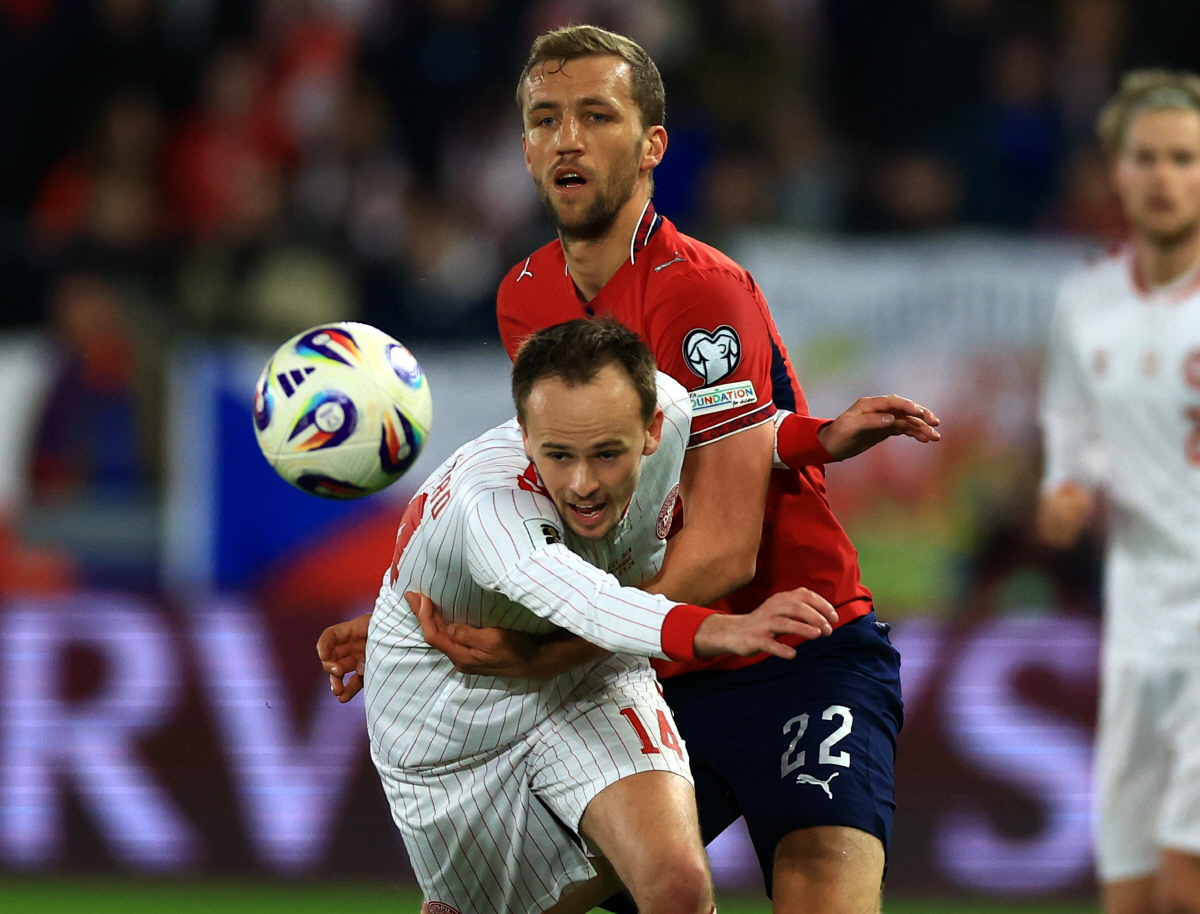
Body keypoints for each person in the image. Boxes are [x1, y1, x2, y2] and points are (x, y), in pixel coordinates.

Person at [324, 25, 943, 913]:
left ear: (652, 145)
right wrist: (413, 607)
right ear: (527, 148)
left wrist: (550, 654)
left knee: (821, 892)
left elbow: (727, 552)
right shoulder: (526, 298)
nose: (567, 138)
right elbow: (572, 503)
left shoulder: (700, 291)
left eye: (596, 116)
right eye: (544, 119)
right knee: (486, 905)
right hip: (646, 662)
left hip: (794, 647)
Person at [365, 317, 846, 914]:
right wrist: (719, 627)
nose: (583, 484)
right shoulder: (490, 506)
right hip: (450, 714)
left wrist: (826, 436)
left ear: (651, 429)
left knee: (678, 885)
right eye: (558, 455)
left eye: (607, 454)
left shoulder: (673, 407)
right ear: (524, 433)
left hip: (587, 668)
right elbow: (584, 600)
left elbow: (738, 435)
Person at [1037, 70, 1200, 914]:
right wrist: (1066, 494)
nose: (1166, 176)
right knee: (1128, 890)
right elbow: (1071, 446)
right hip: (1135, 628)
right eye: (1148, 157)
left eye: (1185, 157)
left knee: (1185, 884)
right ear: (1118, 170)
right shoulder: (1085, 303)